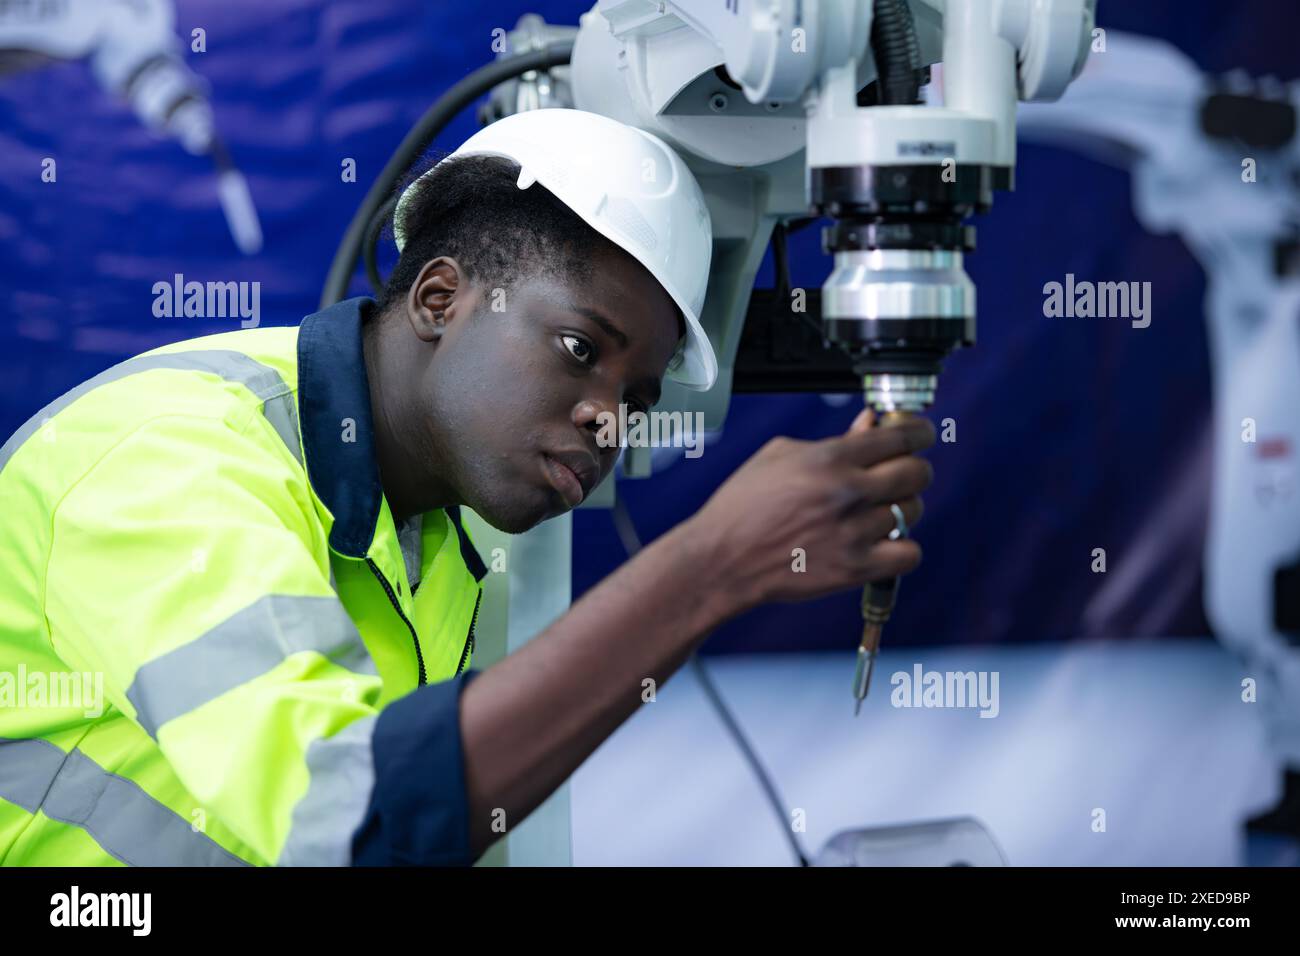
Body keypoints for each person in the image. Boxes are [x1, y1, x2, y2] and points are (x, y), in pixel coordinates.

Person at [0, 108, 933, 866]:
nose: (608, 420)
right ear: (441, 300)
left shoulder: (440, 541)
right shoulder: (174, 462)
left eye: (636, 397)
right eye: (580, 350)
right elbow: (354, 825)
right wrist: (712, 565)